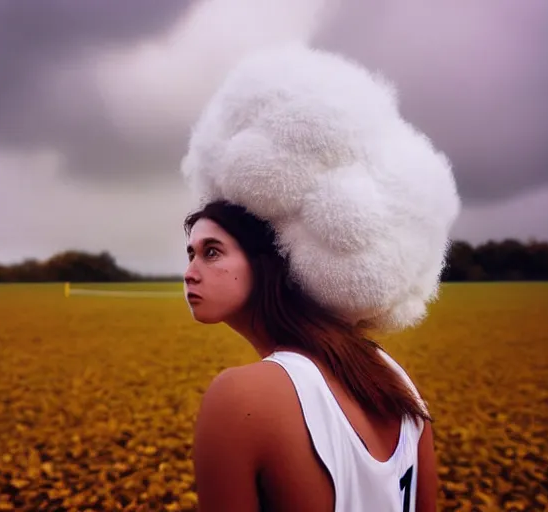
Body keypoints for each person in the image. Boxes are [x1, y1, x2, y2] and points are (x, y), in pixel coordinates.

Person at [179, 43, 461, 512]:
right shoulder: (395, 382)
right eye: (190, 253)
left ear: (270, 263)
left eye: (212, 252)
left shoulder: (240, 398)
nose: (189, 273)